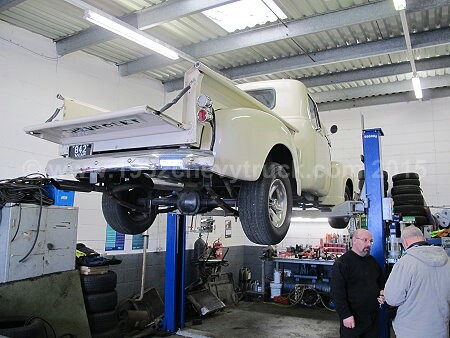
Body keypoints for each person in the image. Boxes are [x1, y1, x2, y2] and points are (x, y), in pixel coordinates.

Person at [384, 225, 450, 338]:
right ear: (423, 238)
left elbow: (392, 299)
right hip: (440, 329)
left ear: (404, 241)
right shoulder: (447, 261)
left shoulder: (405, 263)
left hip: (412, 330)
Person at [331, 229, 385, 338]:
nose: (369, 244)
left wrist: (383, 293)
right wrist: (345, 315)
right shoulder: (342, 263)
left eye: (371, 241)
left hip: (372, 319)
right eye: (365, 240)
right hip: (353, 320)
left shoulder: (372, 262)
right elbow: (337, 293)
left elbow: (381, 281)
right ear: (354, 241)